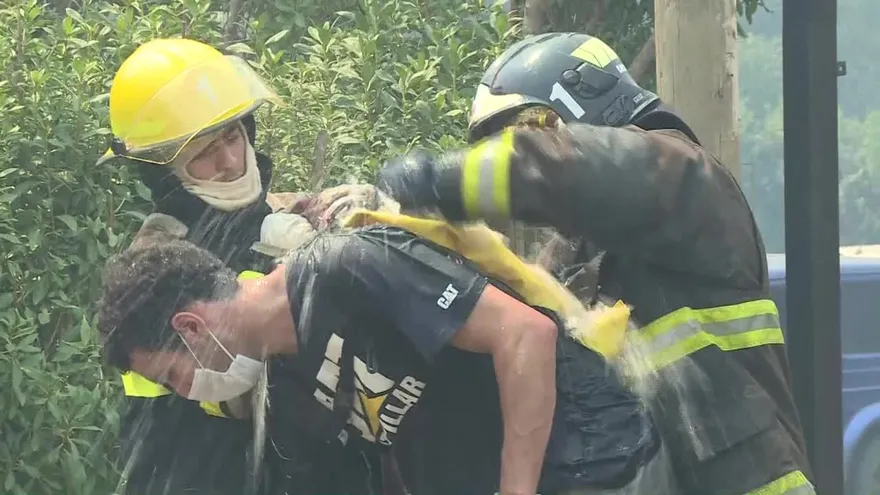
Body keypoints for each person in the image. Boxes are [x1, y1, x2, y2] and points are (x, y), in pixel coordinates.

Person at [375, 32, 815, 495]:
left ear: (577, 105)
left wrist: (442, 179)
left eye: (526, 132)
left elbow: (590, 168)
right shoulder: (575, 251)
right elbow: (518, 324)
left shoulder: (687, 179)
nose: (519, 151)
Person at [94, 206, 680, 495]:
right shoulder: (289, 389)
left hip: (600, 464)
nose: (189, 393)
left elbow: (526, 335)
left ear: (192, 327)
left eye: (173, 375)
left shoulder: (346, 269)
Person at [98, 37, 386, 495]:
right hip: (202, 472)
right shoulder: (153, 268)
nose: (231, 162)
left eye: (232, 136)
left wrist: (367, 214)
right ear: (163, 170)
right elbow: (229, 389)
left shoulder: (281, 212)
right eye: (205, 152)